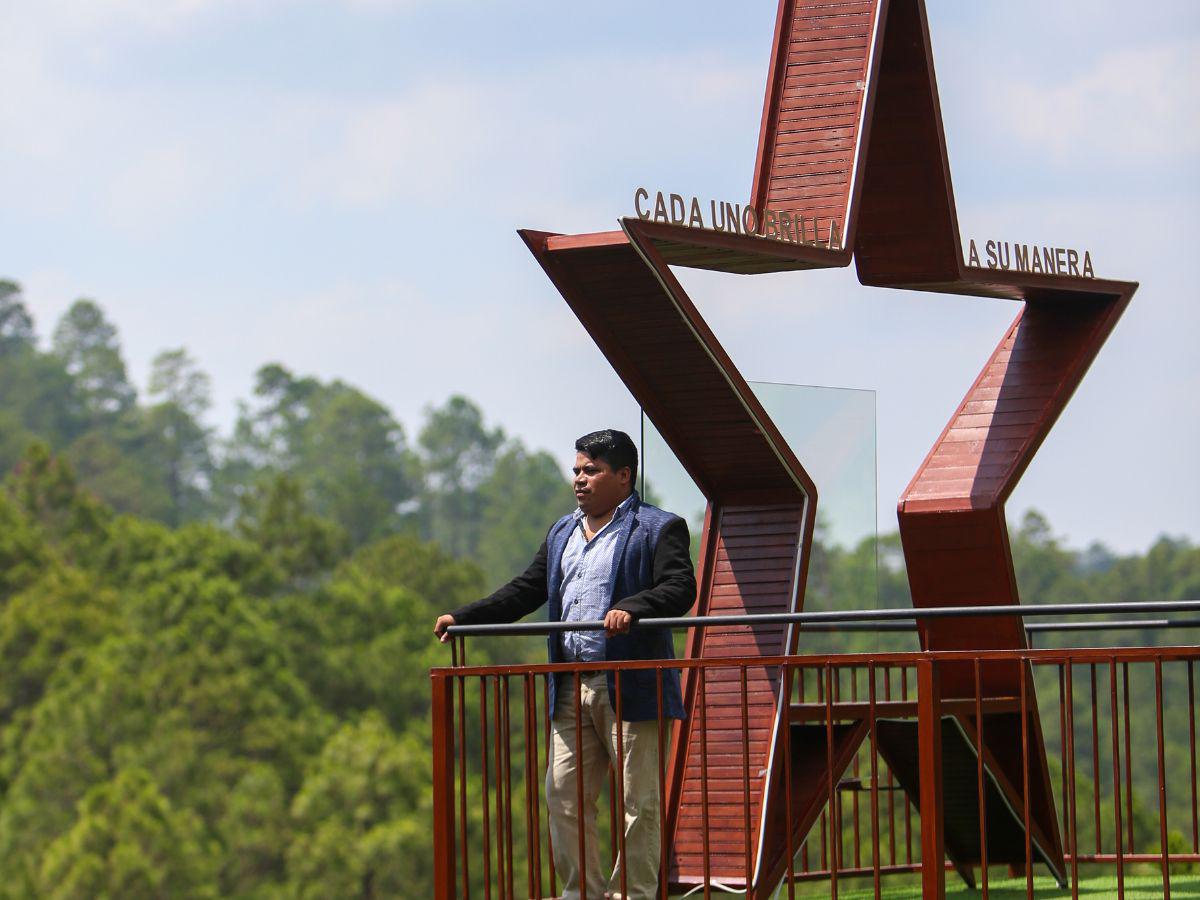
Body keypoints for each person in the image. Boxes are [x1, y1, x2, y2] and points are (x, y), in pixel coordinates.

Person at [434, 428, 696, 900]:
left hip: (632, 688)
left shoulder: (659, 527)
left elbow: (681, 587)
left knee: (640, 804)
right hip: (570, 689)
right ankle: (582, 894)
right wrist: (464, 617)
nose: (579, 479)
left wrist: (634, 607)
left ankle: (633, 895)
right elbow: (526, 590)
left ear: (623, 476)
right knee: (564, 799)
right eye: (576, 469)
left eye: (591, 470)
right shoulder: (562, 531)